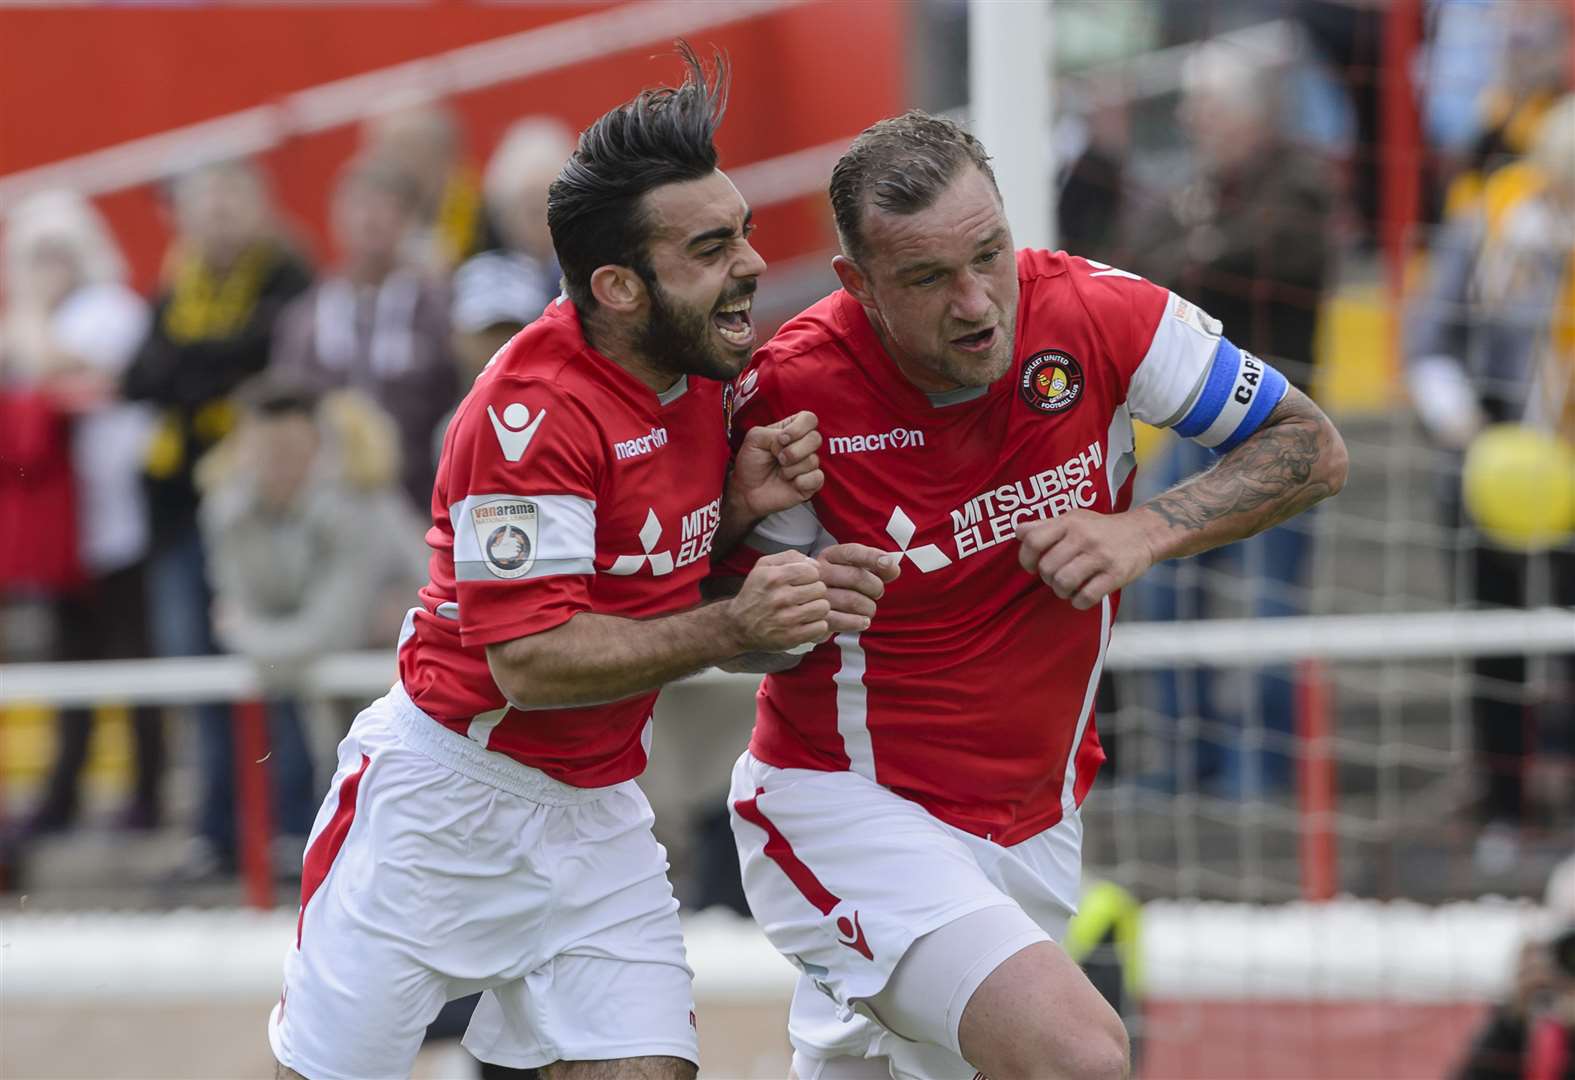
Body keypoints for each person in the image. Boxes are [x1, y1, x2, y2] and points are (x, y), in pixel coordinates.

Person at [269, 46, 887, 1080]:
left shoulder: (711, 377)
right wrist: (739, 625)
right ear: (619, 286)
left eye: (740, 232)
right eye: (709, 247)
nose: (746, 264)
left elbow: (647, 577)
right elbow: (531, 659)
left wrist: (738, 525)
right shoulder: (530, 413)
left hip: (596, 808)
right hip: (445, 804)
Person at [721, 111, 1348, 1080]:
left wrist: (1148, 527)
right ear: (859, 286)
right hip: (846, 806)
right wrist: (779, 589)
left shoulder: (1100, 315)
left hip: (1034, 824)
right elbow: (737, 632)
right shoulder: (794, 392)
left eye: (990, 255)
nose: (976, 303)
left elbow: (1312, 447)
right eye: (929, 278)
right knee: (1080, 1053)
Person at [1121, 39, 1337, 798]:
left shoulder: (1300, 184)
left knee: (1270, 602)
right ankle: (1190, 762)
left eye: (1205, 107)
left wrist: (1198, 252)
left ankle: (1266, 773)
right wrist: (1202, 250)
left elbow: (1269, 260)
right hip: (1197, 427)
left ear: (1246, 113)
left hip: (1280, 426)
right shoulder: (1189, 192)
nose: (1191, 122)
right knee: (1162, 587)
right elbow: (1141, 267)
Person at [1406, 93, 1575, 873]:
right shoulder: (1484, 228)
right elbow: (1428, 345)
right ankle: (1503, 809)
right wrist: (1468, 427)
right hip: (1492, 467)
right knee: (1496, 644)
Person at [196, 376, 429, 872]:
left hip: (412, 673)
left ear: (316, 445)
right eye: (264, 447)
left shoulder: (354, 505)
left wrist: (248, 634)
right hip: (330, 672)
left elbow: (323, 631)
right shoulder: (225, 509)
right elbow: (299, 631)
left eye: (290, 447)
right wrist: (269, 637)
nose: (276, 462)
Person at [0, 189, 165, 833]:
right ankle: (64, 789)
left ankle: (146, 789)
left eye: (56, 253)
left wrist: (34, 311)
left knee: (135, 657)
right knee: (73, 659)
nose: (46, 267)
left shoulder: (108, 309)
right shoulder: (39, 319)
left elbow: (49, 366)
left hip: (122, 515)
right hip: (66, 523)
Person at [271, 156, 458, 509]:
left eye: (386, 207)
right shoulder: (305, 316)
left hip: (422, 499)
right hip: (325, 505)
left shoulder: (438, 307)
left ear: (408, 220)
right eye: (359, 206)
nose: (370, 219)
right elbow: (285, 408)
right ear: (335, 217)